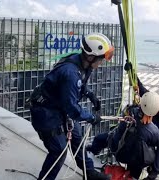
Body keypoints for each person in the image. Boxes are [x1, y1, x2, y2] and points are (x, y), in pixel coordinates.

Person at [29, 33, 115, 180]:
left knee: (77, 139)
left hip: (59, 108)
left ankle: (89, 172)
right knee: (59, 151)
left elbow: (80, 85)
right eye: (101, 59)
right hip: (46, 113)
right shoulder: (70, 73)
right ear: (90, 57)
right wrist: (92, 117)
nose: (102, 62)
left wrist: (90, 95)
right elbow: (72, 108)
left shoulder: (82, 63)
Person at [124, 61, 159, 180]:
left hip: (141, 150)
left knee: (133, 172)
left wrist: (154, 173)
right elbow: (140, 89)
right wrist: (131, 72)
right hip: (133, 137)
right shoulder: (154, 102)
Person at [87, 91, 159, 179]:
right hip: (134, 162)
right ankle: (133, 177)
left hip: (118, 150)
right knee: (138, 162)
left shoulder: (130, 112)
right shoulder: (155, 132)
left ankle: (91, 152)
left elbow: (119, 130)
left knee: (99, 139)